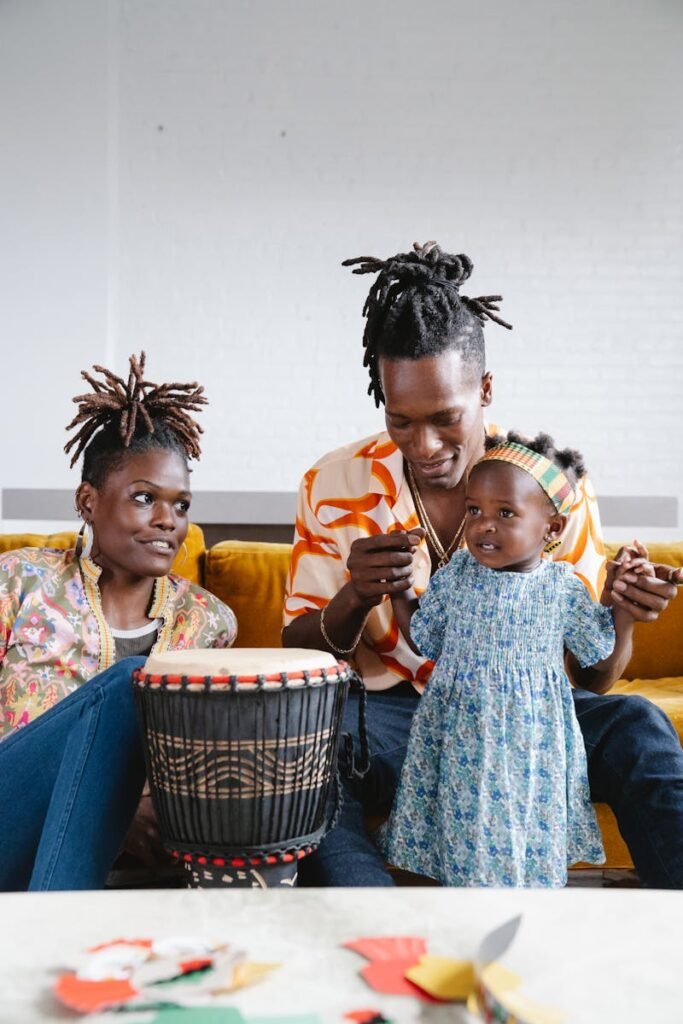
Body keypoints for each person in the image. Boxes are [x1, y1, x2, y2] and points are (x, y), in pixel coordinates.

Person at [282, 241, 683, 888]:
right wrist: (355, 597)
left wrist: (621, 612)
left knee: (635, 724)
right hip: (395, 718)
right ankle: (376, 924)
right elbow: (296, 651)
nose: (423, 446)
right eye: (400, 421)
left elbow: (591, 676)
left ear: (485, 389)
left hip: (525, 711)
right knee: (306, 751)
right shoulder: (332, 483)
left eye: (444, 419)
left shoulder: (551, 489)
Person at [0, 353, 237, 890]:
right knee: (131, 684)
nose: (167, 522)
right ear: (88, 502)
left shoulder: (207, 623)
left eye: (181, 505)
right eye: (144, 498)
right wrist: (118, 805)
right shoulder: (18, 583)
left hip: (127, 850)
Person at [379, 432, 653, 887]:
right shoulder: (458, 575)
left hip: (532, 741)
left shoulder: (561, 588)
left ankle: (526, 929)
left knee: (526, 838)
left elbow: (597, 650)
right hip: (459, 732)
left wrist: (620, 604)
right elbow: (425, 636)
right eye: (474, 510)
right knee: (462, 835)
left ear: (552, 529)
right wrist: (401, 587)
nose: (484, 525)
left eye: (505, 513)